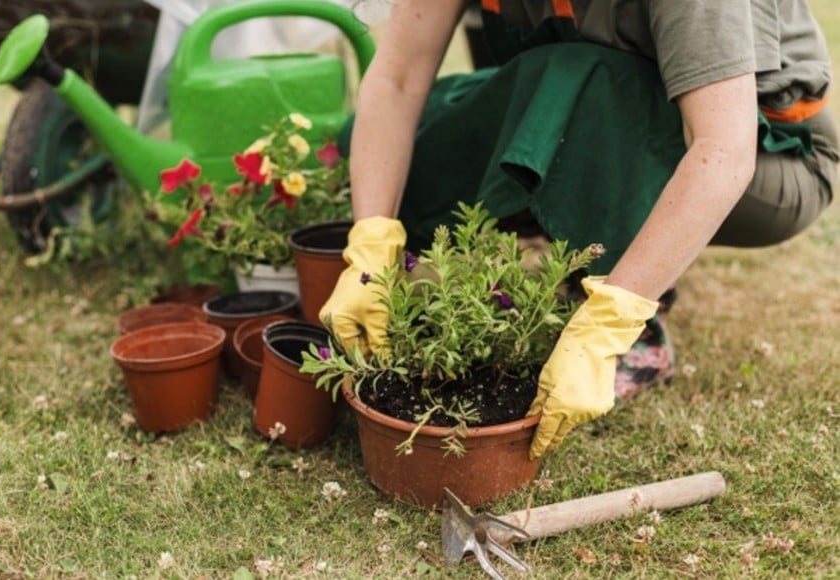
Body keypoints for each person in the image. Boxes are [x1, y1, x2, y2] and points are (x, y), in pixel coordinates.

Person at [320, 0, 837, 460]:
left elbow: (723, 153)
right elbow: (399, 79)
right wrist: (372, 238)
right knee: (392, 137)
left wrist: (610, 322)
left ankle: (638, 320)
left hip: (775, 156)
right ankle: (610, 251)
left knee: (574, 76)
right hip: (614, 112)